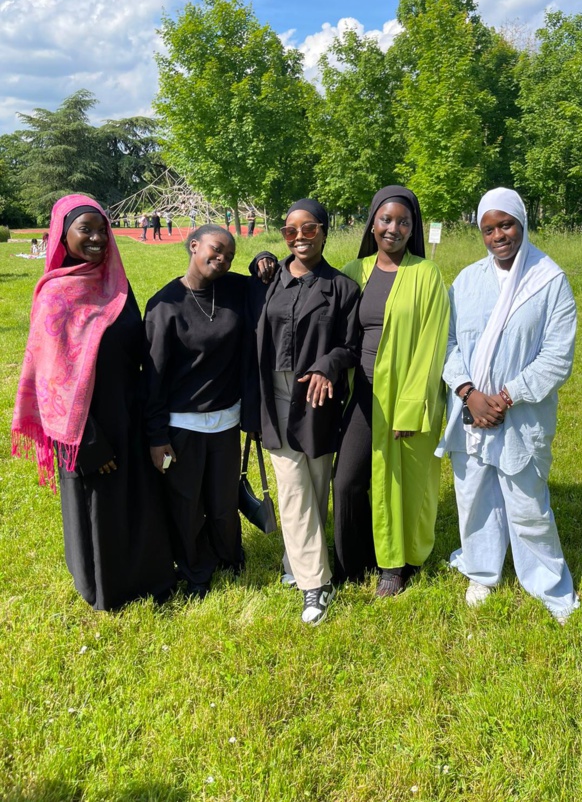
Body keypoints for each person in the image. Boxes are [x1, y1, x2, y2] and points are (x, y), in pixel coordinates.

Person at [11, 194, 176, 610]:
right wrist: (85, 442)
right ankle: (108, 590)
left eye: (102, 229)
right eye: (86, 229)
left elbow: (141, 346)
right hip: (84, 426)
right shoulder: (55, 294)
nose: (98, 237)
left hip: (129, 412)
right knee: (98, 503)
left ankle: (151, 578)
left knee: (137, 497)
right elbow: (51, 380)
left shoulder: (116, 283)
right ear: (62, 235)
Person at [436, 187, 579, 623]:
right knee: (474, 494)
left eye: (506, 225)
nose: (498, 235)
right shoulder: (467, 280)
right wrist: (468, 393)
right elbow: (448, 340)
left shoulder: (549, 281)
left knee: (527, 502)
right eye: (488, 229)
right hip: (470, 411)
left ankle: (547, 581)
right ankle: (483, 569)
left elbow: (557, 357)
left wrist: (505, 397)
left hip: (520, 414)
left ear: (522, 223)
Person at [243, 199, 360, 625]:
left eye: (308, 229)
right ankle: (316, 585)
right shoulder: (268, 281)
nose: (299, 237)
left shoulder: (342, 288)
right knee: (293, 488)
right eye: (290, 231)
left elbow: (351, 346)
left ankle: (296, 562)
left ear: (325, 232)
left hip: (318, 397)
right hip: (274, 395)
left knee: (315, 486)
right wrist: (260, 257)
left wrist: (328, 365)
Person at [143, 226, 276, 599]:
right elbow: (152, 380)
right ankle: (195, 572)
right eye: (216, 251)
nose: (222, 259)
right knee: (187, 506)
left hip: (226, 421)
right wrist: (156, 437)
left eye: (230, 255)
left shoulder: (234, 289)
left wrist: (260, 257)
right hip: (181, 425)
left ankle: (229, 558)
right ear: (194, 246)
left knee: (222, 503)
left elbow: (265, 278)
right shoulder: (164, 305)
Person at [333, 186, 450, 595]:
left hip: (404, 397)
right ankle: (352, 561)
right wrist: (269, 264)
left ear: (413, 228)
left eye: (403, 221)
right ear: (372, 223)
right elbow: (317, 293)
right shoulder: (353, 270)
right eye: (386, 219)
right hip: (361, 395)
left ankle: (394, 564)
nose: (393, 228)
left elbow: (432, 344)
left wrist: (411, 406)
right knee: (347, 482)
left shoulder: (426, 274)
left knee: (401, 482)